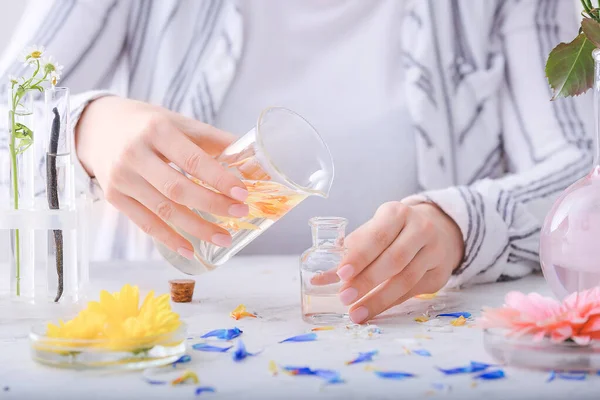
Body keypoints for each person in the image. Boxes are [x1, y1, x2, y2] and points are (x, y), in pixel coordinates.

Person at [0, 0, 592, 323]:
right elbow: (11, 109)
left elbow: (584, 171)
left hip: (400, 342)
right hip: (173, 333)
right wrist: (83, 126)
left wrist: (461, 223)